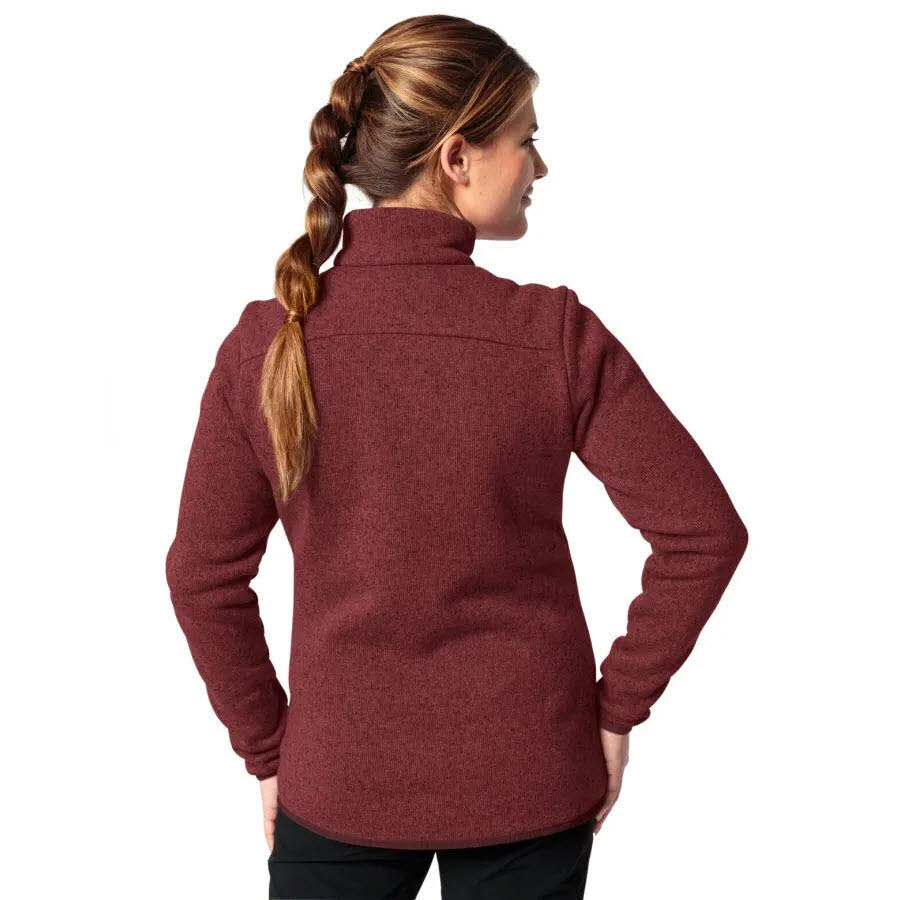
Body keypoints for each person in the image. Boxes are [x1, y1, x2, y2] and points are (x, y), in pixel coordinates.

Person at [165, 14, 749, 900]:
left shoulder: (270, 342)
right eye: (527, 140)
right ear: (457, 157)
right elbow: (705, 533)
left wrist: (271, 751)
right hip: (531, 774)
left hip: (340, 781)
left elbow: (201, 576)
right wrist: (616, 709)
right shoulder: (552, 335)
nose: (540, 168)